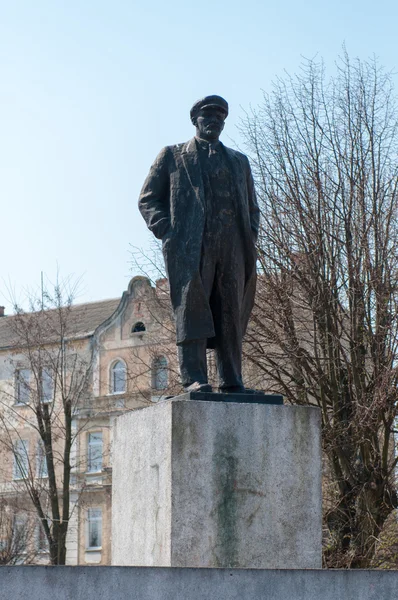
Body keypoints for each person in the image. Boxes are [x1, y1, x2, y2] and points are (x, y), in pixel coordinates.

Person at [138, 95, 259, 393]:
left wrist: (248, 238)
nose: (214, 122)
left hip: (232, 248)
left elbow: (252, 208)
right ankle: (194, 379)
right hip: (191, 249)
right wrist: (169, 232)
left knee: (230, 313)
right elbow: (148, 199)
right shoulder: (173, 156)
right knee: (191, 312)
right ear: (196, 120)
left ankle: (232, 380)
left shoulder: (238, 162)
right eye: (208, 117)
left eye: (220, 118)